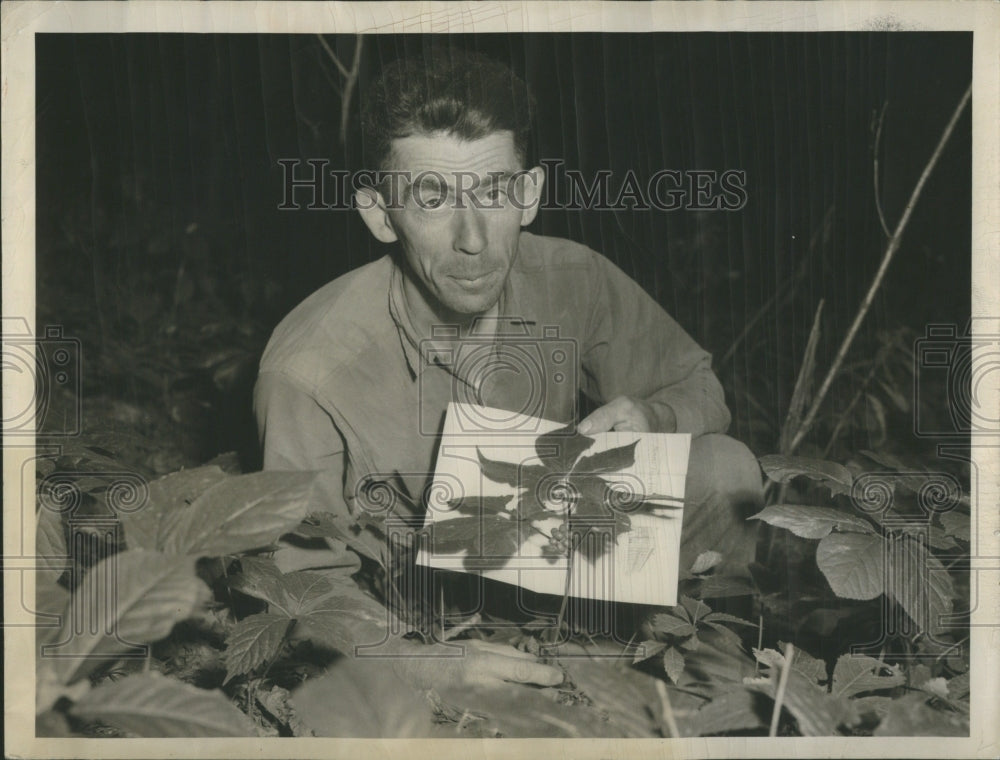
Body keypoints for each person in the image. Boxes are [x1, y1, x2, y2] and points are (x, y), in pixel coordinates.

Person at [254, 48, 763, 691]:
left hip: (551, 538)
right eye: (433, 199)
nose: (473, 239)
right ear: (381, 214)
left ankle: (717, 703)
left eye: (494, 191)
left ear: (529, 194)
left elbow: (701, 386)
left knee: (727, 472)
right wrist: (426, 667)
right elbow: (299, 584)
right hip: (412, 598)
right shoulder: (309, 368)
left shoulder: (574, 277)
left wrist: (651, 416)